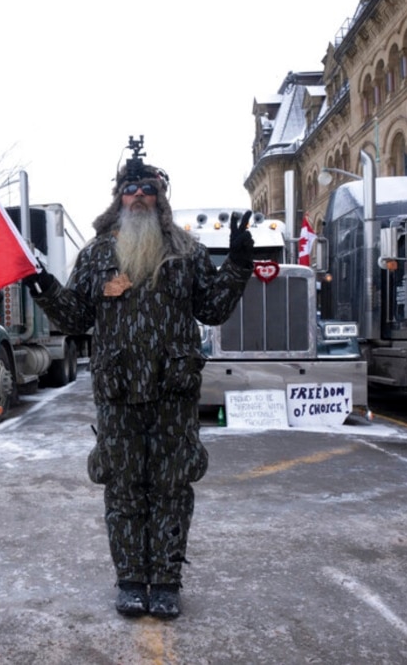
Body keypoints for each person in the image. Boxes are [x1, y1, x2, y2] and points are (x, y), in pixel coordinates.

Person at [24, 152, 255, 619]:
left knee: (172, 488)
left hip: (174, 390)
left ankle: (166, 581)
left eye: (147, 188)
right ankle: (131, 580)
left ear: (160, 197)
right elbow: (75, 317)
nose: (138, 196)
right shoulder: (96, 255)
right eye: (130, 188)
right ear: (117, 197)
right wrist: (44, 286)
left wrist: (237, 264)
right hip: (118, 392)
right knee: (124, 488)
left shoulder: (185, 252)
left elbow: (211, 310)